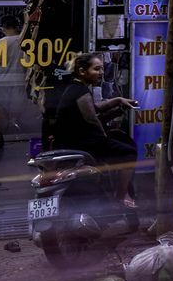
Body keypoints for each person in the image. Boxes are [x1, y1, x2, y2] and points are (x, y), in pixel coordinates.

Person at [54, 52, 141, 206]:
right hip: (79, 143)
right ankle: (121, 196)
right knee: (128, 152)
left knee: (120, 140)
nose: (101, 73)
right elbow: (92, 118)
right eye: (96, 69)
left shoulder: (77, 87)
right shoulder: (80, 90)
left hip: (76, 139)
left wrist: (118, 100)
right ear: (82, 71)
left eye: (101, 69)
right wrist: (104, 136)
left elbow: (95, 108)